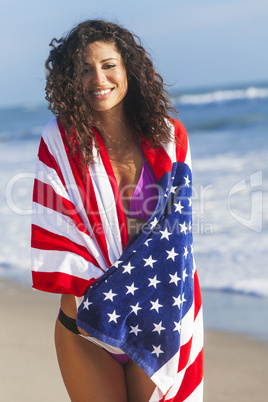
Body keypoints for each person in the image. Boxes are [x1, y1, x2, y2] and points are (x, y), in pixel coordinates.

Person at [31, 19, 203, 402]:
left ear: (128, 68)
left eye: (108, 65)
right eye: (85, 69)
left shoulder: (169, 136)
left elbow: (178, 234)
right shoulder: (60, 140)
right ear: (71, 79)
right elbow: (58, 227)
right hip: (88, 329)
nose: (99, 78)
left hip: (157, 320)